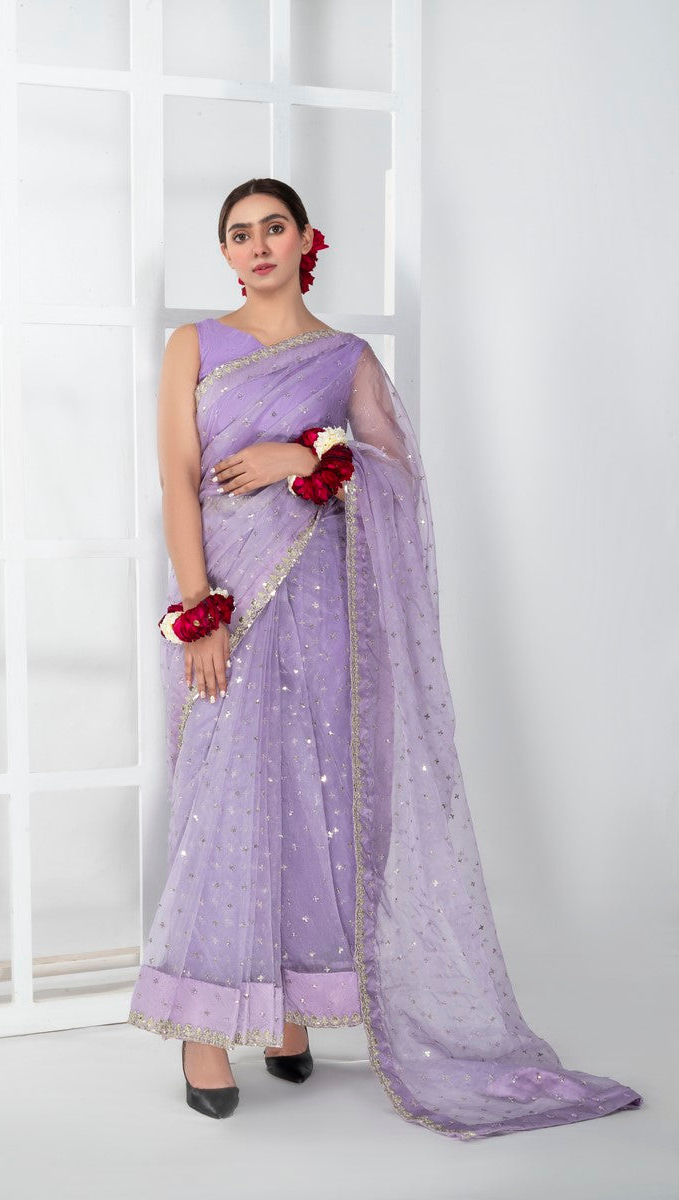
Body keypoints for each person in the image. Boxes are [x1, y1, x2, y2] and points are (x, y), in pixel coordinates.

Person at [127, 177, 643, 1136]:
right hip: (228, 603)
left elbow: (400, 473)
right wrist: (199, 611)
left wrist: (303, 460)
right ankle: (205, 1030)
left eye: (272, 227)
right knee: (222, 797)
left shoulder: (347, 358)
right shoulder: (193, 345)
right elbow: (178, 475)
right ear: (226, 254)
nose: (256, 245)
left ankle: (287, 1013)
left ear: (306, 239)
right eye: (238, 234)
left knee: (313, 801)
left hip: (326, 609)